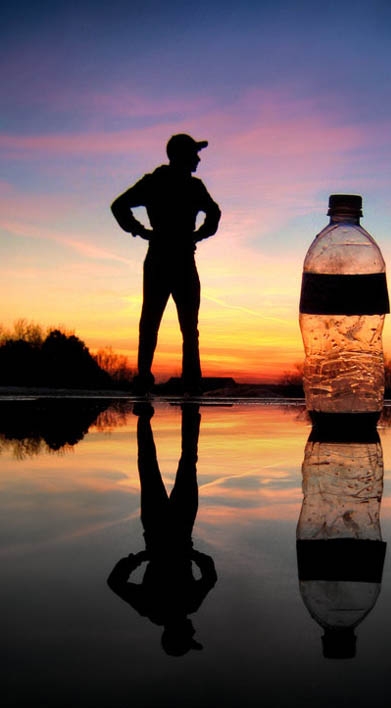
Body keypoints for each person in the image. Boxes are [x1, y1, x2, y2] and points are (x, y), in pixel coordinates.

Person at [111, 134, 221, 395]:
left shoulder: (167, 183)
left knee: (165, 323)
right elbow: (119, 206)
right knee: (164, 323)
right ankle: (163, 380)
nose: (198, 158)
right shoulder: (170, 183)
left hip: (171, 256)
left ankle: (179, 381)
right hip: (171, 257)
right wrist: (140, 230)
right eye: (194, 153)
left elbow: (214, 213)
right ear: (182, 156)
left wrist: (143, 231)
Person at [107, 402, 217, 656]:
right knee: (149, 466)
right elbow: (114, 582)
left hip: (175, 529)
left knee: (184, 461)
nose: (193, 632)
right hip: (159, 532)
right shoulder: (153, 608)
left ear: (176, 634)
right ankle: (148, 415)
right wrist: (142, 557)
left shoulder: (178, 605)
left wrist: (145, 558)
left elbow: (210, 574)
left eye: (189, 636)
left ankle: (188, 411)